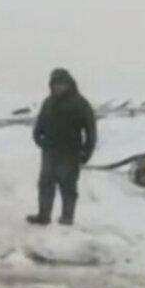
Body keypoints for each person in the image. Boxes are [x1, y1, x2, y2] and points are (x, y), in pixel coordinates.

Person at [27, 68, 97, 226]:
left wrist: (86, 153)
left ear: (69, 84)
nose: (57, 87)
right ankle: (43, 215)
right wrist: (39, 139)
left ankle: (67, 217)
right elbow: (39, 126)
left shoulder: (80, 104)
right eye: (55, 84)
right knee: (45, 185)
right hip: (50, 153)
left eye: (61, 84)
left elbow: (91, 132)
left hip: (70, 154)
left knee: (68, 188)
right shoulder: (48, 103)